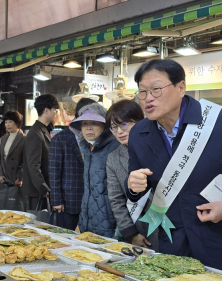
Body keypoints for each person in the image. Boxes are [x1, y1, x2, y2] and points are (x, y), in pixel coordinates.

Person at [126, 59, 222, 278]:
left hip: (220, 236)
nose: (148, 98)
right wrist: (134, 187)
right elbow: (139, 183)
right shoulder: (139, 133)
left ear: (181, 87)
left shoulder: (221, 120)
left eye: (156, 89)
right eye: (142, 92)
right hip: (172, 240)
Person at [105, 100, 158, 249]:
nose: (119, 132)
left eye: (124, 124)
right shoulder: (113, 158)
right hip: (140, 230)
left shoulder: (159, 147)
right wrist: (131, 233)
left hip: (171, 228)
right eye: (114, 127)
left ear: (140, 122)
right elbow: (116, 200)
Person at [70, 103, 120, 237]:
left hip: (112, 227)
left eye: (94, 123)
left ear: (105, 126)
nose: (89, 127)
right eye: (85, 124)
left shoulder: (116, 148)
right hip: (89, 225)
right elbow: (90, 191)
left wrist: (123, 228)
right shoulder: (88, 150)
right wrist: (81, 223)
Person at [49, 98, 95, 230]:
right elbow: (54, 172)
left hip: (90, 200)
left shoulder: (93, 138)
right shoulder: (60, 139)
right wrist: (57, 200)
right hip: (69, 199)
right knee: (65, 236)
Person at [23, 94, 59, 211]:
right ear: (46, 110)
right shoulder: (36, 133)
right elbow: (33, 165)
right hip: (37, 193)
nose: (56, 113)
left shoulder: (43, 130)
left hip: (42, 191)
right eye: (55, 110)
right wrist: (43, 188)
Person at [0, 111, 25, 210]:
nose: (7, 124)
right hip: (3, 181)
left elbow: (27, 161)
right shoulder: (4, 138)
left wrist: (20, 177)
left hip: (16, 181)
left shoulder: (25, 139)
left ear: (17, 123)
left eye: (10, 122)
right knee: (1, 210)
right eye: (6, 122)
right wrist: (0, 174)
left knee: (16, 211)